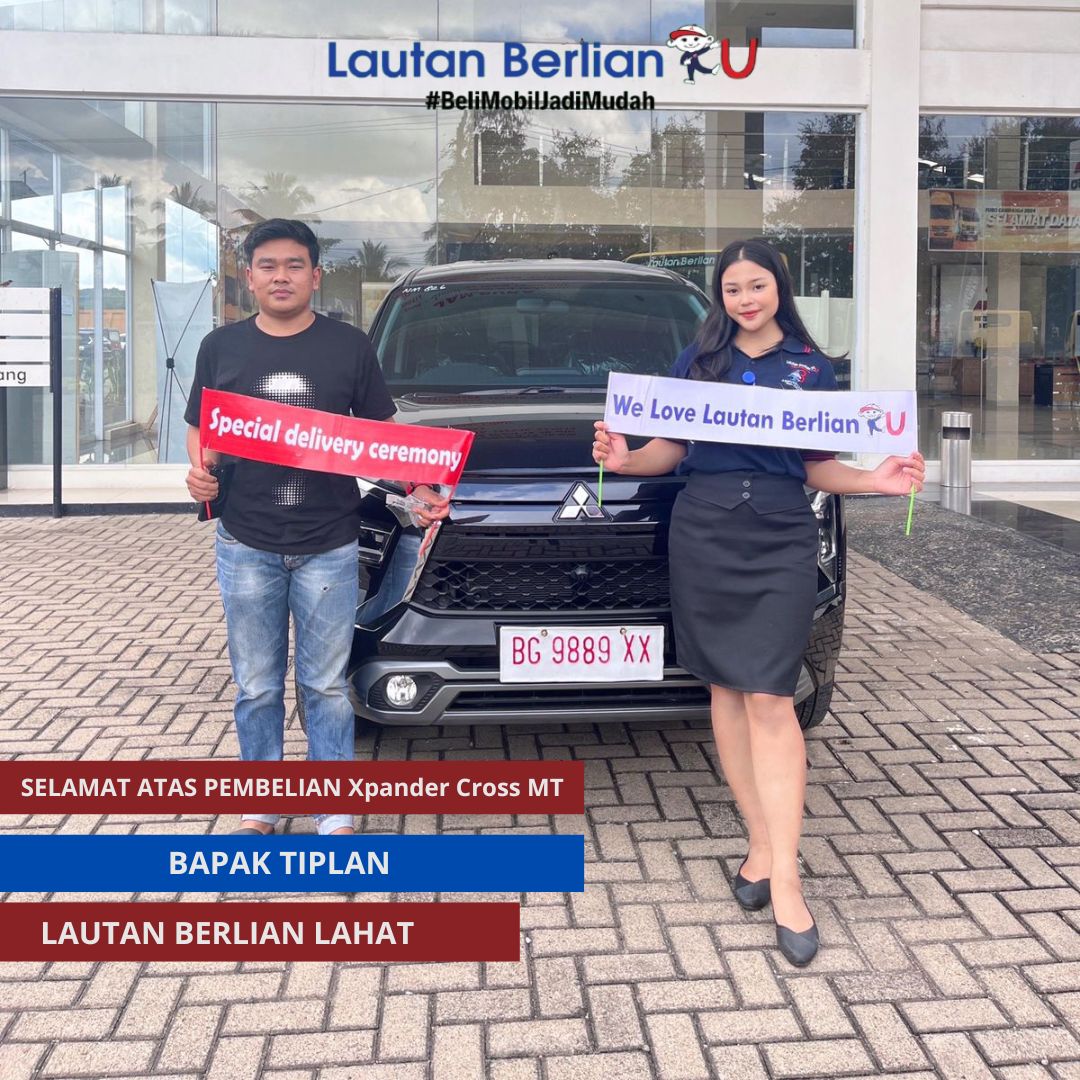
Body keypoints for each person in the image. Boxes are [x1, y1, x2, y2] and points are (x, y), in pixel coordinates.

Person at [593, 238, 924, 966]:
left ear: (779, 287)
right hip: (705, 532)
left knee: (771, 696)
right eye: (732, 288)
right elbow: (667, 451)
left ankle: (787, 879)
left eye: (757, 285)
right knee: (726, 689)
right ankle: (761, 847)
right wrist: (624, 458)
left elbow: (819, 469)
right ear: (721, 295)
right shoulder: (698, 360)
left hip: (778, 536)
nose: (745, 299)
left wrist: (877, 480)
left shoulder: (812, 367)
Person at [184, 218, 448, 837]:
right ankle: (262, 804)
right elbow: (202, 426)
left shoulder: (348, 346)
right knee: (255, 685)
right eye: (268, 265)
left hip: (329, 541)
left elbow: (381, 436)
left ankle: (333, 808)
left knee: (325, 685)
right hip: (245, 541)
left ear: (315, 275)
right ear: (249, 276)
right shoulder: (220, 347)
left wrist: (420, 486)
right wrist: (199, 473)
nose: (281, 276)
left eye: (294, 265)